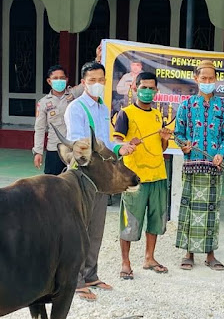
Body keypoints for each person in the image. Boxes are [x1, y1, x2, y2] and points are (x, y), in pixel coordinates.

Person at [64, 61, 137, 301]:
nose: (97, 84)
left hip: (102, 176)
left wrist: (121, 147)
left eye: (101, 80)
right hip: (83, 175)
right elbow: (79, 144)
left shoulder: (103, 108)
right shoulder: (76, 108)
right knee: (80, 228)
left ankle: (91, 274)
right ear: (83, 82)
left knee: (96, 227)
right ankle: (74, 280)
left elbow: (105, 140)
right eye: (92, 80)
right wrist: (107, 149)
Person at [174, 60, 224, 271]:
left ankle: (210, 254)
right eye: (203, 78)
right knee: (189, 208)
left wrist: (221, 154)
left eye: (211, 78)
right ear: (196, 78)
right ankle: (188, 253)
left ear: (215, 80)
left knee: (211, 210)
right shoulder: (186, 105)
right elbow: (178, 133)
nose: (207, 81)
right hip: (192, 164)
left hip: (214, 166)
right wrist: (184, 145)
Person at [113, 72, 172, 280]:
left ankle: (149, 257)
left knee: (156, 219)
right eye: (143, 87)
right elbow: (116, 141)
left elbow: (161, 148)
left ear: (156, 91)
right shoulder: (125, 114)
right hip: (134, 178)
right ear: (135, 88)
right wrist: (127, 145)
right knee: (130, 220)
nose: (147, 91)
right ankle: (126, 263)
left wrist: (164, 139)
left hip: (158, 174)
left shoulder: (157, 115)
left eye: (151, 88)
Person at [33, 65, 80, 175]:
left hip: (74, 148)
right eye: (55, 78)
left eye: (62, 78)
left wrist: (98, 58)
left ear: (67, 79)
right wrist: (38, 152)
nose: (59, 81)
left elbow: (90, 79)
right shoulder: (43, 103)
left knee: (74, 182)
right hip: (55, 149)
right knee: (52, 184)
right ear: (49, 81)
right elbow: (39, 129)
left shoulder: (75, 94)